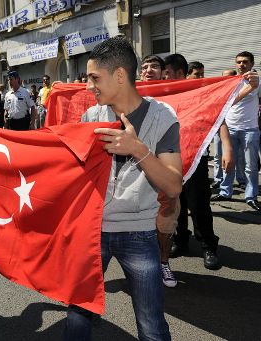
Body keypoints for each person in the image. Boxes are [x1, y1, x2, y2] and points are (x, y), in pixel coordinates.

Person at [64, 36, 182, 341]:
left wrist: (137, 149)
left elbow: (172, 185)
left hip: (140, 234)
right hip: (92, 233)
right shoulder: (91, 117)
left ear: (119, 75)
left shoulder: (163, 118)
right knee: (77, 317)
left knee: (152, 325)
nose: (88, 86)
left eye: (94, 78)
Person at [167, 58, 233, 271]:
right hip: (170, 157)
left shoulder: (201, 93)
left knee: (198, 204)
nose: (200, 78)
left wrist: (227, 146)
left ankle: (208, 246)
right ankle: (180, 240)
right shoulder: (167, 93)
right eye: (196, 74)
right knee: (176, 203)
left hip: (196, 156)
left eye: (166, 72)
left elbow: (219, 116)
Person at [140, 54, 181, 287]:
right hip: (135, 169)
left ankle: (164, 262)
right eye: (144, 66)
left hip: (166, 167)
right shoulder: (129, 94)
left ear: (163, 72)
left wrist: (245, 87)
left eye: (154, 66)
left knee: (166, 220)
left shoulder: (177, 93)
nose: (148, 70)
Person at [211, 51, 261, 212]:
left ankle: (251, 196)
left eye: (245, 62)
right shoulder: (231, 82)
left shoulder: (258, 82)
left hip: (250, 129)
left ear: (252, 64)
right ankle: (225, 191)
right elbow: (225, 102)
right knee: (228, 163)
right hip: (230, 128)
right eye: (238, 62)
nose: (241, 65)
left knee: (251, 166)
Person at [213, 68, 245, 188]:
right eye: (225, 76)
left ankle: (241, 179)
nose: (228, 79)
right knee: (218, 156)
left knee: (238, 156)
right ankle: (218, 178)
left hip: (233, 127)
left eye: (231, 76)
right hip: (218, 127)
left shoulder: (239, 89)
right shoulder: (218, 89)